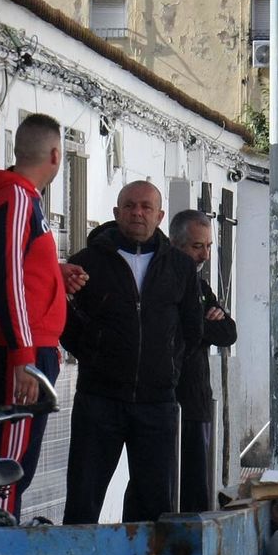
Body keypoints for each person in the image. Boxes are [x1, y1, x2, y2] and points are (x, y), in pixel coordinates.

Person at [60, 181, 203, 524]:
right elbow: (66, 326)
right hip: (99, 400)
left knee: (153, 505)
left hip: (157, 405)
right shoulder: (86, 263)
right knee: (83, 499)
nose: (137, 213)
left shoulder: (180, 268)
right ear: (116, 213)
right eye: (129, 206)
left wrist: (167, 368)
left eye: (145, 207)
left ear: (159, 215)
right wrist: (95, 357)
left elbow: (192, 330)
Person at [0, 113, 67, 519]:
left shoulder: (25, 199)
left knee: (16, 469)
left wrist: (58, 276)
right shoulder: (15, 198)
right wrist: (24, 357)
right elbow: (7, 279)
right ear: (56, 155)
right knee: (8, 473)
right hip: (21, 357)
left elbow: (22, 273)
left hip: (32, 350)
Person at [171, 208, 238, 513]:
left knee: (198, 488)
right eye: (197, 247)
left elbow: (227, 331)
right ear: (176, 244)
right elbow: (183, 331)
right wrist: (202, 322)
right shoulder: (164, 283)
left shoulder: (201, 287)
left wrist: (204, 322)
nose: (205, 255)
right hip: (169, 405)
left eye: (209, 246)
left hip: (198, 403)